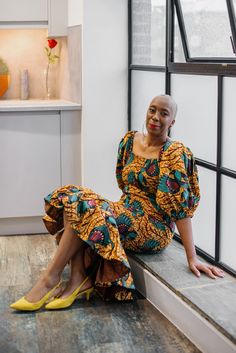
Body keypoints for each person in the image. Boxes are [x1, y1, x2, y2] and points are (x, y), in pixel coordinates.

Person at [10, 95, 224, 311]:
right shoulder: (130, 141)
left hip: (153, 227)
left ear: (172, 122)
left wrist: (192, 257)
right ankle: (77, 278)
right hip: (126, 210)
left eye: (164, 113)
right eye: (152, 110)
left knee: (87, 206)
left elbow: (180, 210)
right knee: (73, 195)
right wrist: (119, 209)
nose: (156, 117)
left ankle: (50, 278)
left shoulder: (174, 153)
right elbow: (124, 183)